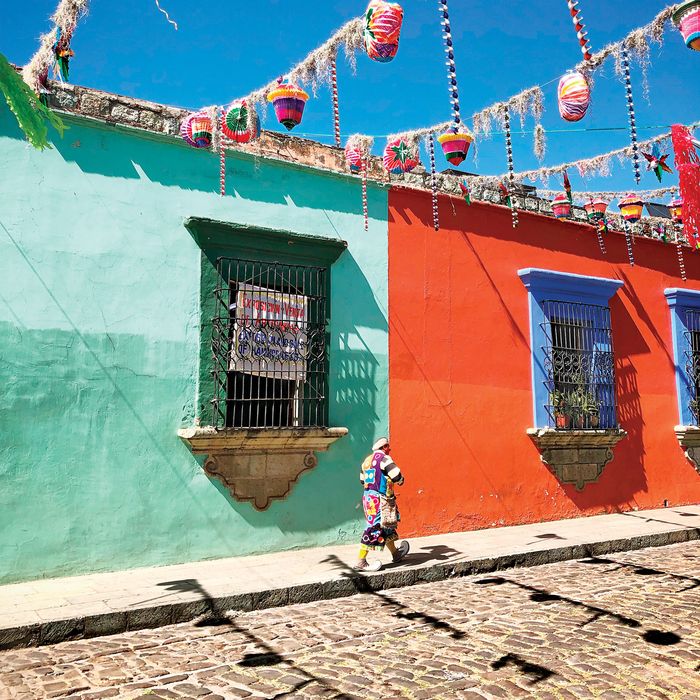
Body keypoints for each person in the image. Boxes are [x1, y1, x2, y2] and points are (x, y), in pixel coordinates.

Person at [354, 437, 410, 571]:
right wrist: (400, 480)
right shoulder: (384, 459)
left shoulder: (367, 461)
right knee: (374, 527)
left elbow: (362, 481)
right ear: (384, 447)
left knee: (386, 525)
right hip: (380, 498)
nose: (389, 449)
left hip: (368, 498)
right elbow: (396, 475)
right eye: (388, 446)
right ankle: (361, 561)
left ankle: (396, 554)